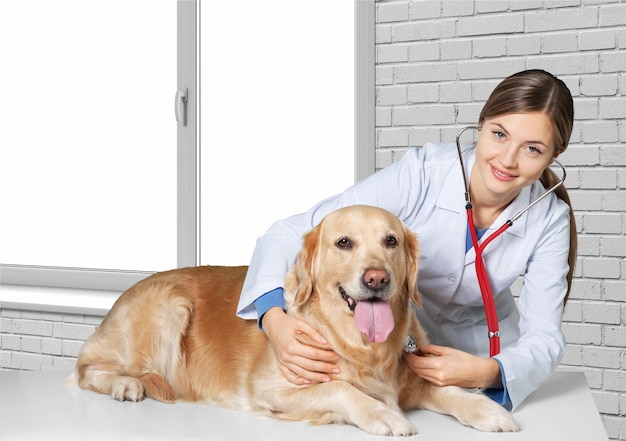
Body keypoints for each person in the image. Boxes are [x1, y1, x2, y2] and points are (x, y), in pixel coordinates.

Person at [236, 69, 577, 412]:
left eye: (532, 149)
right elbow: (292, 232)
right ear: (481, 123)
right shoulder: (422, 173)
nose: (507, 159)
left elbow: (545, 336)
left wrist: (487, 372)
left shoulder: (549, 220)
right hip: (399, 346)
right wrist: (274, 321)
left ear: (555, 153)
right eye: (499, 134)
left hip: (481, 354)